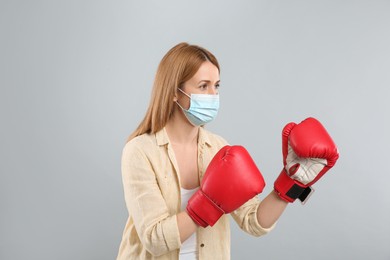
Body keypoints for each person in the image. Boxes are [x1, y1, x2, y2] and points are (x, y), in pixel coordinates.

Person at [117, 42, 339, 260]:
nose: (213, 95)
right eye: (203, 86)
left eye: (217, 86)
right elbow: (154, 239)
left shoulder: (219, 148)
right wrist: (208, 204)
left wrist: (292, 182)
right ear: (174, 91)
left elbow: (254, 223)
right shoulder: (140, 151)